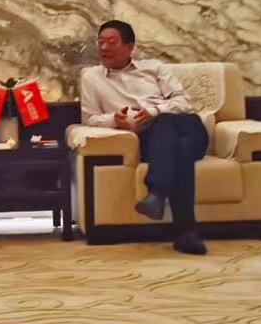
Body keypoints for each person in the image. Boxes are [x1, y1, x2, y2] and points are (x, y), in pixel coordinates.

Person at [79, 19, 209, 256]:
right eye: (101, 42)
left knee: (167, 121)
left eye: (111, 42)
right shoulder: (91, 77)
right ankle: (185, 233)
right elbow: (90, 118)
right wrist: (114, 120)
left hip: (187, 127)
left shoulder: (154, 68)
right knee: (180, 150)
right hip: (151, 141)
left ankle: (157, 193)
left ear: (130, 47)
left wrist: (154, 111)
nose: (104, 48)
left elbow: (184, 102)